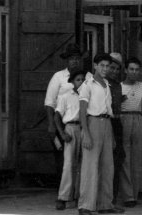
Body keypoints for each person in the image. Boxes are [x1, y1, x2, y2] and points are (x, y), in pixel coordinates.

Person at [78, 53, 122, 215]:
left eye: (107, 66)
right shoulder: (87, 84)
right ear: (95, 66)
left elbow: (108, 109)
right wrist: (86, 134)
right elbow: (82, 111)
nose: (105, 69)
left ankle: (105, 205)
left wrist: (110, 135)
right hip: (93, 123)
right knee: (90, 166)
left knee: (107, 167)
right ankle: (85, 205)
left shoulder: (107, 85)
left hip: (107, 124)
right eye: (102, 65)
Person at [44, 44, 84, 176]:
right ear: (67, 60)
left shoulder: (87, 77)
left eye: (77, 58)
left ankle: (76, 191)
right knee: (63, 158)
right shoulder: (59, 76)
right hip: (61, 121)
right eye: (72, 58)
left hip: (82, 122)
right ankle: (63, 191)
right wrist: (51, 125)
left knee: (81, 158)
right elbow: (50, 102)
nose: (75, 61)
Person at [55, 69, 87, 210]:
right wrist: (62, 133)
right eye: (78, 80)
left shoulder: (87, 96)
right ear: (72, 82)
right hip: (70, 128)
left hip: (84, 129)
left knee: (83, 165)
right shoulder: (66, 96)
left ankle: (79, 196)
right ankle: (63, 197)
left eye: (83, 80)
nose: (80, 82)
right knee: (68, 164)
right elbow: (57, 116)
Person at [119, 57, 142, 207]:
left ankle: (134, 194)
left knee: (137, 158)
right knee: (125, 158)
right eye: (131, 69)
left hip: (138, 118)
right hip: (124, 118)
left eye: (137, 69)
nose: (134, 72)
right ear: (125, 70)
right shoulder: (119, 86)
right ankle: (127, 195)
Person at [107, 52, 125, 208]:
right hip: (107, 123)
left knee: (118, 159)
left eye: (117, 69)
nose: (114, 71)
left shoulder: (118, 85)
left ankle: (112, 199)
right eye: (111, 67)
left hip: (117, 123)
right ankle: (107, 200)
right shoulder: (103, 84)